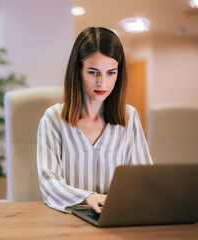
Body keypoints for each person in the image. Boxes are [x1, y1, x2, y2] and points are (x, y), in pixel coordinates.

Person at [37, 27, 153, 214]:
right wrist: (88, 197)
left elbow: (145, 178)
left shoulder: (129, 117)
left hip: (117, 218)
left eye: (111, 73)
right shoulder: (53, 119)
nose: (103, 83)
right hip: (68, 220)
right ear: (78, 71)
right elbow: (49, 182)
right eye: (93, 72)